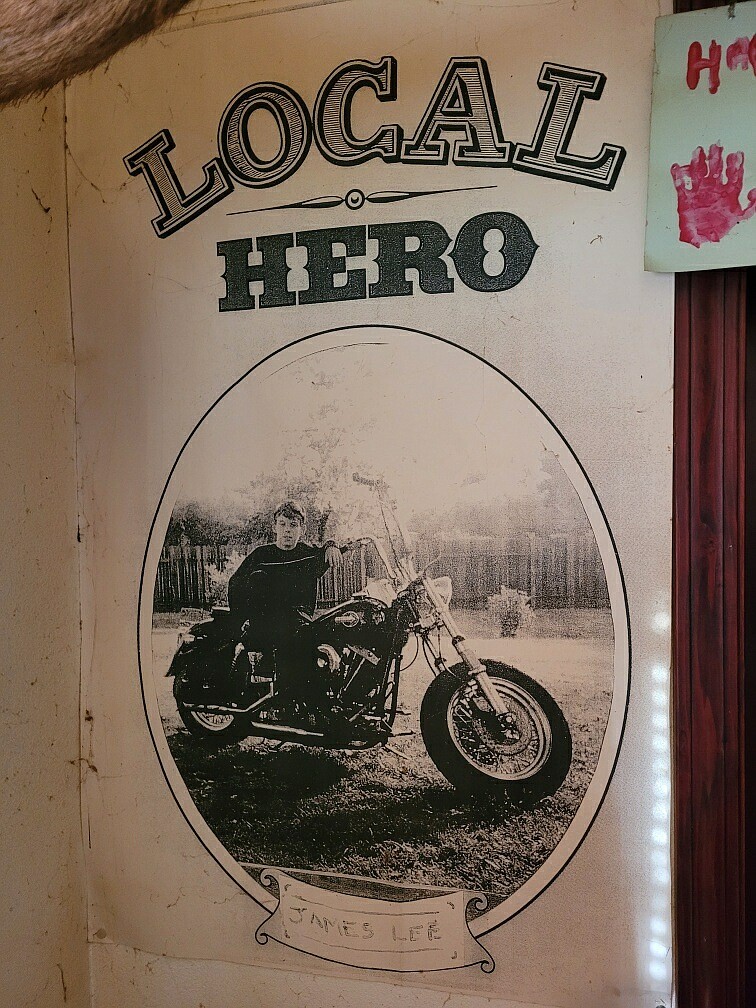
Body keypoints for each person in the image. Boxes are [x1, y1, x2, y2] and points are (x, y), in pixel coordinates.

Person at [227, 501, 343, 711]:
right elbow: (236, 584)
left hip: (298, 621)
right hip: (265, 623)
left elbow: (331, 550)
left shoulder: (308, 555)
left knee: (334, 633)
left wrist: (331, 544)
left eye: (293, 525)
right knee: (299, 639)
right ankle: (293, 704)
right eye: (282, 525)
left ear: (302, 529)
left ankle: (326, 698)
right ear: (274, 527)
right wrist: (240, 620)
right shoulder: (260, 556)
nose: (287, 531)